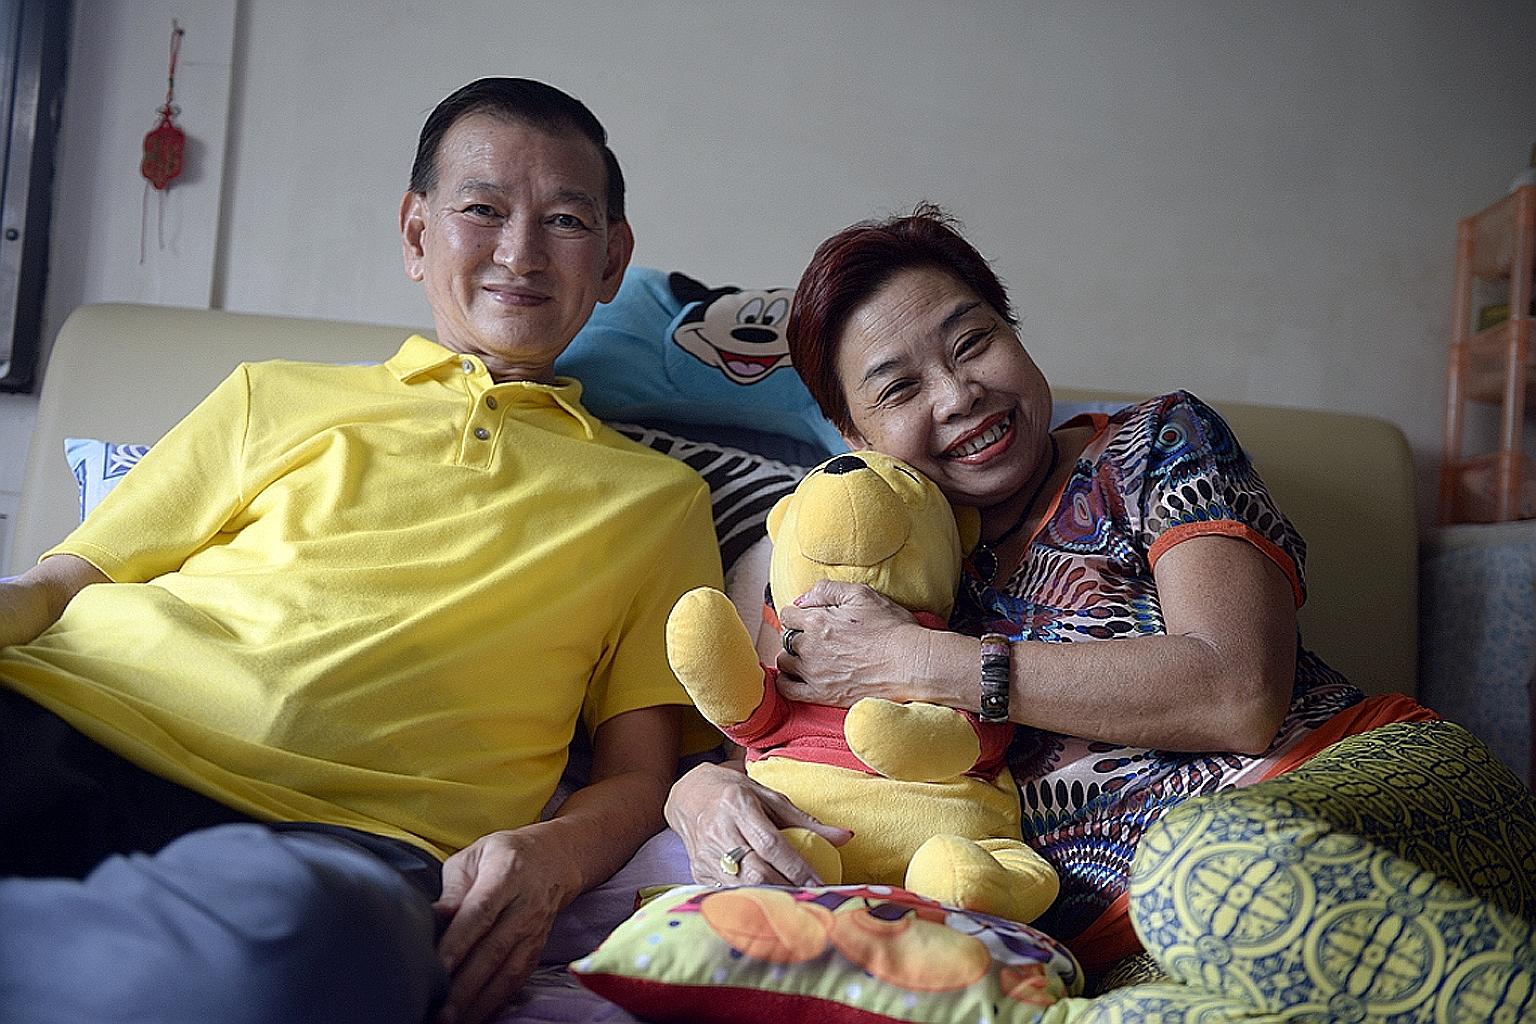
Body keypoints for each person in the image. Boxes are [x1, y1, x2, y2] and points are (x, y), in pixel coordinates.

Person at [666, 205, 1536, 1015]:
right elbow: (787, 750)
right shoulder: (889, 563)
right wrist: (697, 792)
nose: (959, 394)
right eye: (899, 389)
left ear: (1015, 333)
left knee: (1200, 872)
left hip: (1344, 794)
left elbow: (1237, 691)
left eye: (973, 342)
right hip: (1121, 945)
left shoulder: (1157, 442)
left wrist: (925, 663)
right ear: (855, 440)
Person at [0, 78, 721, 1024]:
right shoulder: (273, 394)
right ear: (418, 234)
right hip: (67, 719)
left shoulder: (659, 503)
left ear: (613, 259)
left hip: (343, 845)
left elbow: (639, 771)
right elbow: (62, 580)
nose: (520, 251)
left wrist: (553, 855)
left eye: (566, 220)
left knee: (301, 956)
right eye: (483, 210)